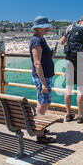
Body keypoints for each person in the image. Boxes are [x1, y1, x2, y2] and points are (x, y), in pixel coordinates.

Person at [59, 15, 83, 123]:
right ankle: (80, 116)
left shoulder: (70, 27)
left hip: (69, 57)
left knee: (68, 87)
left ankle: (68, 114)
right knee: (80, 88)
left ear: (79, 21)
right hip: (80, 58)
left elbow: (62, 42)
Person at [29, 16, 57, 144]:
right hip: (42, 78)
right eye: (45, 27)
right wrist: (44, 84)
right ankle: (40, 135)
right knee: (42, 104)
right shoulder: (36, 41)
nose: (47, 28)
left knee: (44, 102)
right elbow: (37, 63)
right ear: (38, 28)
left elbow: (42, 58)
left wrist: (51, 54)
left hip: (45, 76)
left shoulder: (41, 39)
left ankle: (40, 128)